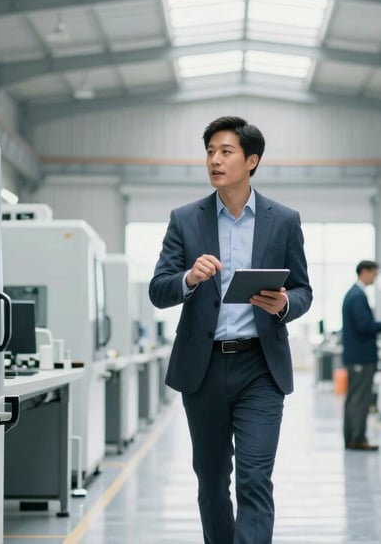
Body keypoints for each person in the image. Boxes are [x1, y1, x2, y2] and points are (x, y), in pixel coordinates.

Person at [149, 115, 313, 544]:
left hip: (261, 367)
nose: (215, 161)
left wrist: (284, 304)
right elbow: (158, 290)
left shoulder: (284, 220)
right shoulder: (185, 219)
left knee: (255, 478)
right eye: (210, 152)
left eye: (226, 152)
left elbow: (304, 291)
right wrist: (189, 278)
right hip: (203, 370)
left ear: (251, 161)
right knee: (211, 481)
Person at [341, 260, 381, 451]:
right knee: (360, 399)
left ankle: (353, 438)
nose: (375, 277)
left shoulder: (354, 294)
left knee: (354, 398)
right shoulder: (357, 296)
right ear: (364, 271)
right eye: (374, 274)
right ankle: (357, 439)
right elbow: (363, 326)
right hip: (361, 357)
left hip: (357, 356)